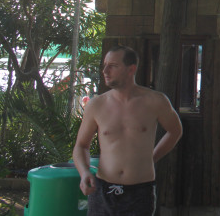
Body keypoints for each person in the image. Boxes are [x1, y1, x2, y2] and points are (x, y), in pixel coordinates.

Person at [73, 45, 183, 216]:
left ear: (131, 69)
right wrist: (84, 172)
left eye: (113, 66)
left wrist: (153, 157)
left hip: (140, 191)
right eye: (105, 65)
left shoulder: (155, 101)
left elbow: (175, 131)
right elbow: (81, 145)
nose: (105, 71)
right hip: (103, 189)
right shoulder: (97, 105)